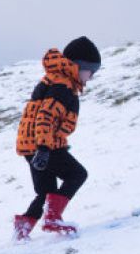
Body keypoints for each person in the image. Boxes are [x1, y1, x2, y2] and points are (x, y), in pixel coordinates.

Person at [13, 37, 101, 240]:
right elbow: (46, 115)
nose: (91, 77)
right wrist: (44, 148)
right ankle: (52, 217)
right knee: (77, 174)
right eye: (91, 71)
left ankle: (23, 227)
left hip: (30, 144)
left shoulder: (55, 79)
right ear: (79, 66)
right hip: (43, 145)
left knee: (46, 191)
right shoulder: (63, 85)